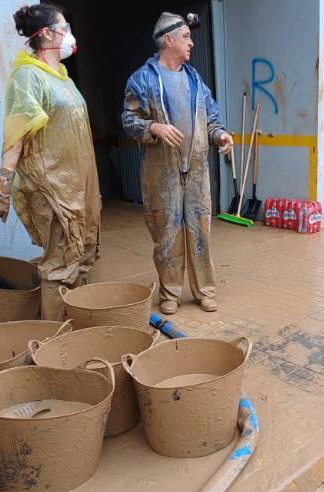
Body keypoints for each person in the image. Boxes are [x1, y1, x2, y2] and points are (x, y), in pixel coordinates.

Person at [0, 4, 101, 321]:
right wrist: (1, 190)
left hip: (79, 190)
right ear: (47, 34)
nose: (69, 34)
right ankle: (53, 341)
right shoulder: (27, 78)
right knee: (58, 266)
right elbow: (15, 138)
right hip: (51, 190)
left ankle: (76, 328)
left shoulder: (62, 78)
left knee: (81, 258)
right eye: (64, 27)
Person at [122, 12, 233, 315]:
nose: (192, 43)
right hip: (162, 173)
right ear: (168, 40)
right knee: (167, 233)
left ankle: (205, 291)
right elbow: (129, 120)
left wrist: (221, 135)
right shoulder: (143, 79)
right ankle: (169, 293)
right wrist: (153, 128)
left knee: (201, 230)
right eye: (186, 37)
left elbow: (210, 118)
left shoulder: (194, 79)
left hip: (196, 170)